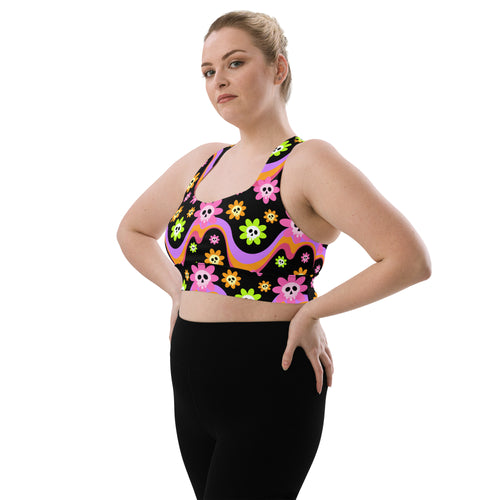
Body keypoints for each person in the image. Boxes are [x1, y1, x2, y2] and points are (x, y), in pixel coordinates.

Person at [117, 9, 431, 500]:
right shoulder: (203, 160)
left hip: (269, 382)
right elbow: (133, 231)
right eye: (207, 71)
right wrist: (177, 290)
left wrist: (312, 310)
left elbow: (408, 259)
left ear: (278, 67)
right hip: (191, 381)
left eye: (235, 63)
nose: (218, 80)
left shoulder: (307, 162)